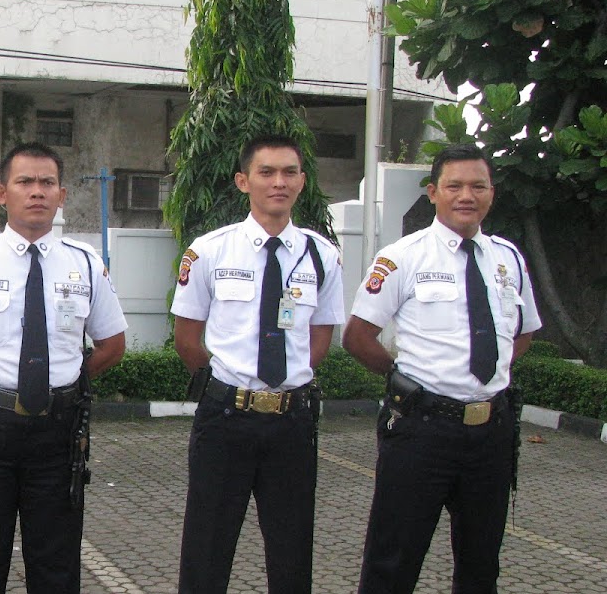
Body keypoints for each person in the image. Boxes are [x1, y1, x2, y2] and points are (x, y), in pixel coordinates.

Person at [0, 142, 127, 593]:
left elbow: (112, 345)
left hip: (58, 432)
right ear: (1, 193)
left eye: (47, 183)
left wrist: (65, 380)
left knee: (57, 561)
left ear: (62, 195)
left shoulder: (85, 264)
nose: (37, 192)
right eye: (25, 182)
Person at [344, 144, 541, 593]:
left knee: (481, 564)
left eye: (478, 186)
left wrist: (487, 373)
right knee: (392, 562)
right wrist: (406, 379)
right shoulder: (403, 257)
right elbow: (357, 336)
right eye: (454, 186)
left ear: (491, 193)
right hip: (422, 430)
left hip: (491, 433)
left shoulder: (508, 258)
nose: (466, 196)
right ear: (433, 192)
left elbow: (523, 332)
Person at [171, 135, 345, 594]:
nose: (278, 182)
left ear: (302, 182)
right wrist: (226, 388)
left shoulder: (321, 255)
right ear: (243, 181)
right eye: (266, 172)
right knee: (207, 547)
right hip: (225, 419)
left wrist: (286, 382)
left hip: (292, 422)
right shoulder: (210, 251)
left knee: (291, 550)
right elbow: (187, 339)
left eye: (289, 172)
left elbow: (320, 337)